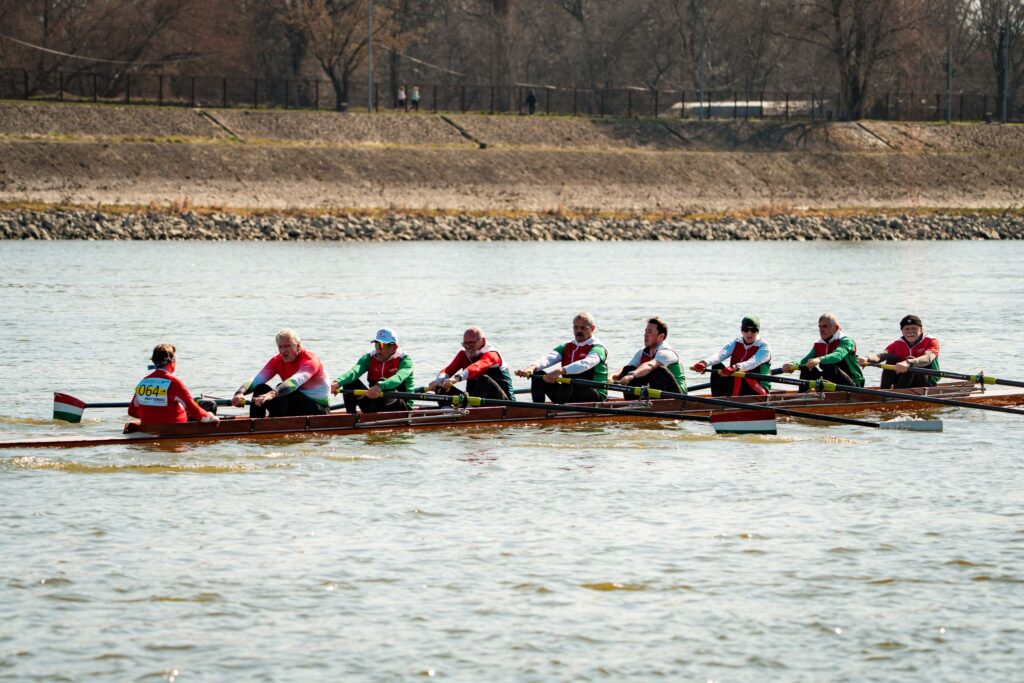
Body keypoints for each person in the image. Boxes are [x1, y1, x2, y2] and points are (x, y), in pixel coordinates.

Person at [231, 329, 331, 418]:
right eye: (280, 347)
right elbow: (256, 379)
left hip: (319, 409)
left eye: (287, 346)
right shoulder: (277, 360)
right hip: (294, 404)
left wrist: (272, 394)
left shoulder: (310, 361)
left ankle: (276, 424)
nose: (283, 351)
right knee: (260, 389)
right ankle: (254, 425)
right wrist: (239, 393)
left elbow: (294, 382)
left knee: (285, 390)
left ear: (298, 346)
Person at [515, 312, 608, 404]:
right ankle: (538, 408)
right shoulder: (566, 346)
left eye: (583, 328)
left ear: (592, 328)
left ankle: (558, 409)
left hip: (594, 394)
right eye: (576, 327)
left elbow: (585, 364)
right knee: (538, 374)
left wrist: (559, 371)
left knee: (573, 375)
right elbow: (548, 358)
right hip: (568, 392)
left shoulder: (598, 348)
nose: (578, 331)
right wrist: (532, 367)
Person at [129, 344, 219, 425]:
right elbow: (194, 411)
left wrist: (152, 417)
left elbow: (132, 411)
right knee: (209, 406)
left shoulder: (144, 381)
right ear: (172, 362)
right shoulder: (174, 382)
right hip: (173, 428)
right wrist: (211, 417)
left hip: (148, 427)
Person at [331, 328, 415, 413]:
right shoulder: (368, 358)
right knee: (349, 382)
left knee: (384, 384)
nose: (378, 349)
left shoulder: (405, 361)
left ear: (393, 348)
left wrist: (380, 386)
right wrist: (338, 383)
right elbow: (354, 372)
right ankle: (350, 417)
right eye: (376, 344)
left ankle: (370, 418)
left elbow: (398, 378)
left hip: (400, 407)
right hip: (374, 404)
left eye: (382, 345)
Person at [691, 315, 772, 396]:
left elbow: (752, 362)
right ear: (741, 331)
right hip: (737, 382)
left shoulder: (764, 347)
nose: (749, 333)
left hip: (759, 389)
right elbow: (720, 355)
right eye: (746, 329)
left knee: (741, 371)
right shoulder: (736, 342)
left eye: (753, 330)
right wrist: (704, 363)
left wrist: (735, 367)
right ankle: (719, 401)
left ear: (758, 331)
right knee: (717, 366)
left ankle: (729, 401)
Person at [427, 326, 514, 400]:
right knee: (441, 387)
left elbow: (477, 367)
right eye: (465, 343)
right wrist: (438, 381)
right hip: (475, 400)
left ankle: (469, 410)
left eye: (471, 343)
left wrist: (457, 378)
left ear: (483, 341)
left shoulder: (492, 354)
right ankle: (446, 411)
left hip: (504, 401)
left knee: (484, 379)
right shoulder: (464, 353)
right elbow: (448, 370)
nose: (468, 346)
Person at [783, 313, 864, 390]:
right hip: (833, 383)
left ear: (836, 328)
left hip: (854, 385)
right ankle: (802, 397)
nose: (821, 330)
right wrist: (793, 364)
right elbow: (804, 360)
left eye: (825, 326)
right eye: (820, 326)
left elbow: (838, 355)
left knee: (830, 367)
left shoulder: (846, 341)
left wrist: (819, 359)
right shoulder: (819, 344)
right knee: (806, 367)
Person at [858, 314, 940, 389]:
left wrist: (909, 362)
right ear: (902, 331)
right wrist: (866, 358)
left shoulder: (931, 341)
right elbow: (881, 356)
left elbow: (929, 357)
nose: (910, 331)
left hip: (926, 381)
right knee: (891, 359)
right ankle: (884, 392)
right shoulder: (898, 343)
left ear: (921, 329)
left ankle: (897, 395)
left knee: (911, 362)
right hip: (904, 381)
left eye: (914, 328)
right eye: (907, 329)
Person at [612, 317, 686, 396]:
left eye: (650, 332)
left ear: (661, 336)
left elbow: (649, 365)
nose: (645, 334)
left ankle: (657, 404)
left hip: (678, 395)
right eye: (645, 331)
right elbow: (626, 369)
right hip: (658, 393)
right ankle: (633, 404)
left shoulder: (667, 352)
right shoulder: (642, 352)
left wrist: (631, 375)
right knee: (629, 369)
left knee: (659, 370)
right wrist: (611, 376)